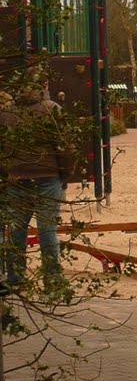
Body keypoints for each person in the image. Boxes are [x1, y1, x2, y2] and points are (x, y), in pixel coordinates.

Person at [0, 70, 69, 290]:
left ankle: (16, 279)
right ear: (45, 83)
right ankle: (52, 279)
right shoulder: (52, 110)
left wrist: (7, 172)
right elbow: (65, 145)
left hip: (16, 178)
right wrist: (65, 174)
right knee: (47, 231)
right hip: (47, 176)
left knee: (16, 232)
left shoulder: (7, 112)